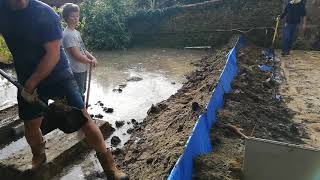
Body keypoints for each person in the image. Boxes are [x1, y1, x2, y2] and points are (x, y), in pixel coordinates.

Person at [0, 0, 128, 179]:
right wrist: (29, 84)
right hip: (26, 77)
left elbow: (53, 55)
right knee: (31, 124)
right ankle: (39, 157)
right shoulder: (2, 9)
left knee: (83, 119)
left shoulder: (45, 14)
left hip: (58, 76)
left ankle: (110, 168)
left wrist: (30, 85)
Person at [61, 3, 97, 100]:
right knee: (78, 93)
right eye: (73, 16)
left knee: (82, 90)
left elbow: (83, 50)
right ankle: (79, 112)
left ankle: (81, 111)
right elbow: (76, 55)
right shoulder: (68, 35)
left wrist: (92, 58)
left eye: (77, 16)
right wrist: (90, 62)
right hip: (75, 70)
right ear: (66, 17)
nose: (76, 18)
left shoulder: (76, 32)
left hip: (82, 68)